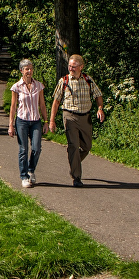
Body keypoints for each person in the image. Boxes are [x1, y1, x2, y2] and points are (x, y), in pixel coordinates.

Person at [49, 54, 105, 187]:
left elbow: (98, 95)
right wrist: (51, 121)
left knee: (87, 146)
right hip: (70, 116)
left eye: (73, 66)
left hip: (85, 117)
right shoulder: (64, 81)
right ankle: (76, 177)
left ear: (81, 67)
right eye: (69, 66)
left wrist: (100, 109)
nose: (71, 68)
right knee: (73, 146)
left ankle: (74, 164)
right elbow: (56, 102)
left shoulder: (88, 80)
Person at [8, 59, 48, 188]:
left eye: (31, 68)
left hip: (36, 120)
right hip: (22, 121)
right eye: (26, 69)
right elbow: (13, 107)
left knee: (36, 148)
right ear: (21, 71)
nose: (29, 71)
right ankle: (24, 176)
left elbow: (42, 104)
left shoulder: (39, 86)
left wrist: (46, 121)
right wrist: (10, 125)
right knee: (23, 149)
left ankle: (31, 170)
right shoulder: (16, 87)